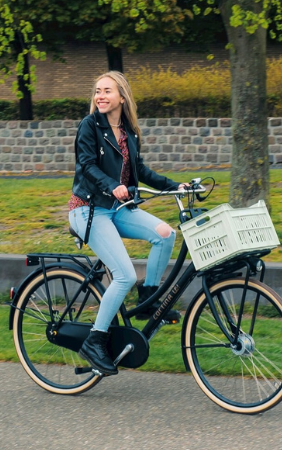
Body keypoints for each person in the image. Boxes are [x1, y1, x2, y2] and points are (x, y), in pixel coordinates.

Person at [69, 71, 187, 376]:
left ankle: (148, 299)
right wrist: (112, 185)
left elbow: (141, 170)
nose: (100, 96)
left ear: (122, 96)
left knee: (165, 233)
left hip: (117, 208)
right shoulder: (89, 126)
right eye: (97, 91)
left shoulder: (128, 131)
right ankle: (95, 340)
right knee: (123, 275)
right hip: (90, 209)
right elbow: (87, 166)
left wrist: (175, 186)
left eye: (107, 91)